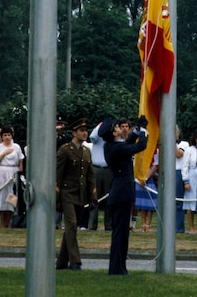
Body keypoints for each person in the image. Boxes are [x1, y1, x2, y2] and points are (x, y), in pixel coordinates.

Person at [100, 115, 148, 275]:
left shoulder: (111, 146)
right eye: (117, 127)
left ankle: (118, 267)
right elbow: (140, 146)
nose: (120, 128)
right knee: (121, 233)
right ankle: (117, 269)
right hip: (122, 193)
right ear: (114, 132)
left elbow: (127, 143)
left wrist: (137, 130)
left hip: (119, 192)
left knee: (120, 233)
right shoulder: (116, 148)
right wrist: (145, 132)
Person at [56, 118, 97, 270]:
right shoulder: (65, 150)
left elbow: (90, 175)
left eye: (86, 131)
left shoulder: (86, 152)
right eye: (81, 131)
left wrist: (93, 196)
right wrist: (57, 197)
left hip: (80, 194)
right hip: (67, 193)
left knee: (71, 228)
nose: (84, 133)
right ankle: (75, 261)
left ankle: (61, 262)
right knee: (71, 224)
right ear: (74, 133)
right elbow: (58, 175)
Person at [0, 126, 24, 229]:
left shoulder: (16, 147)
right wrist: (3, 154)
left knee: (11, 197)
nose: (7, 137)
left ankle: (9, 222)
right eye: (5, 135)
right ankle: (1, 222)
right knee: (1, 196)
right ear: (2, 136)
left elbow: (20, 162)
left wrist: (19, 174)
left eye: (9, 135)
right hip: (1, 171)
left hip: (13, 171)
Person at [82, 121, 113, 231]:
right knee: (94, 197)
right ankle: (92, 224)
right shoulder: (97, 139)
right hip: (96, 169)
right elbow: (92, 136)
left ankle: (109, 225)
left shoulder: (110, 139)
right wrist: (99, 126)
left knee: (108, 199)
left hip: (108, 169)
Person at [134, 147, 158, 231]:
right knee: (142, 202)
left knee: (150, 202)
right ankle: (143, 223)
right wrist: (139, 177)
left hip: (149, 177)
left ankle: (148, 224)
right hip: (139, 176)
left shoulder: (155, 151)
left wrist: (146, 178)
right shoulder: (139, 151)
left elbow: (155, 166)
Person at [175, 126, 189, 233]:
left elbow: (179, 154)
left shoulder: (183, 144)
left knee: (177, 201)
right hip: (167, 171)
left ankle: (179, 228)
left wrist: (171, 142)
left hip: (178, 172)